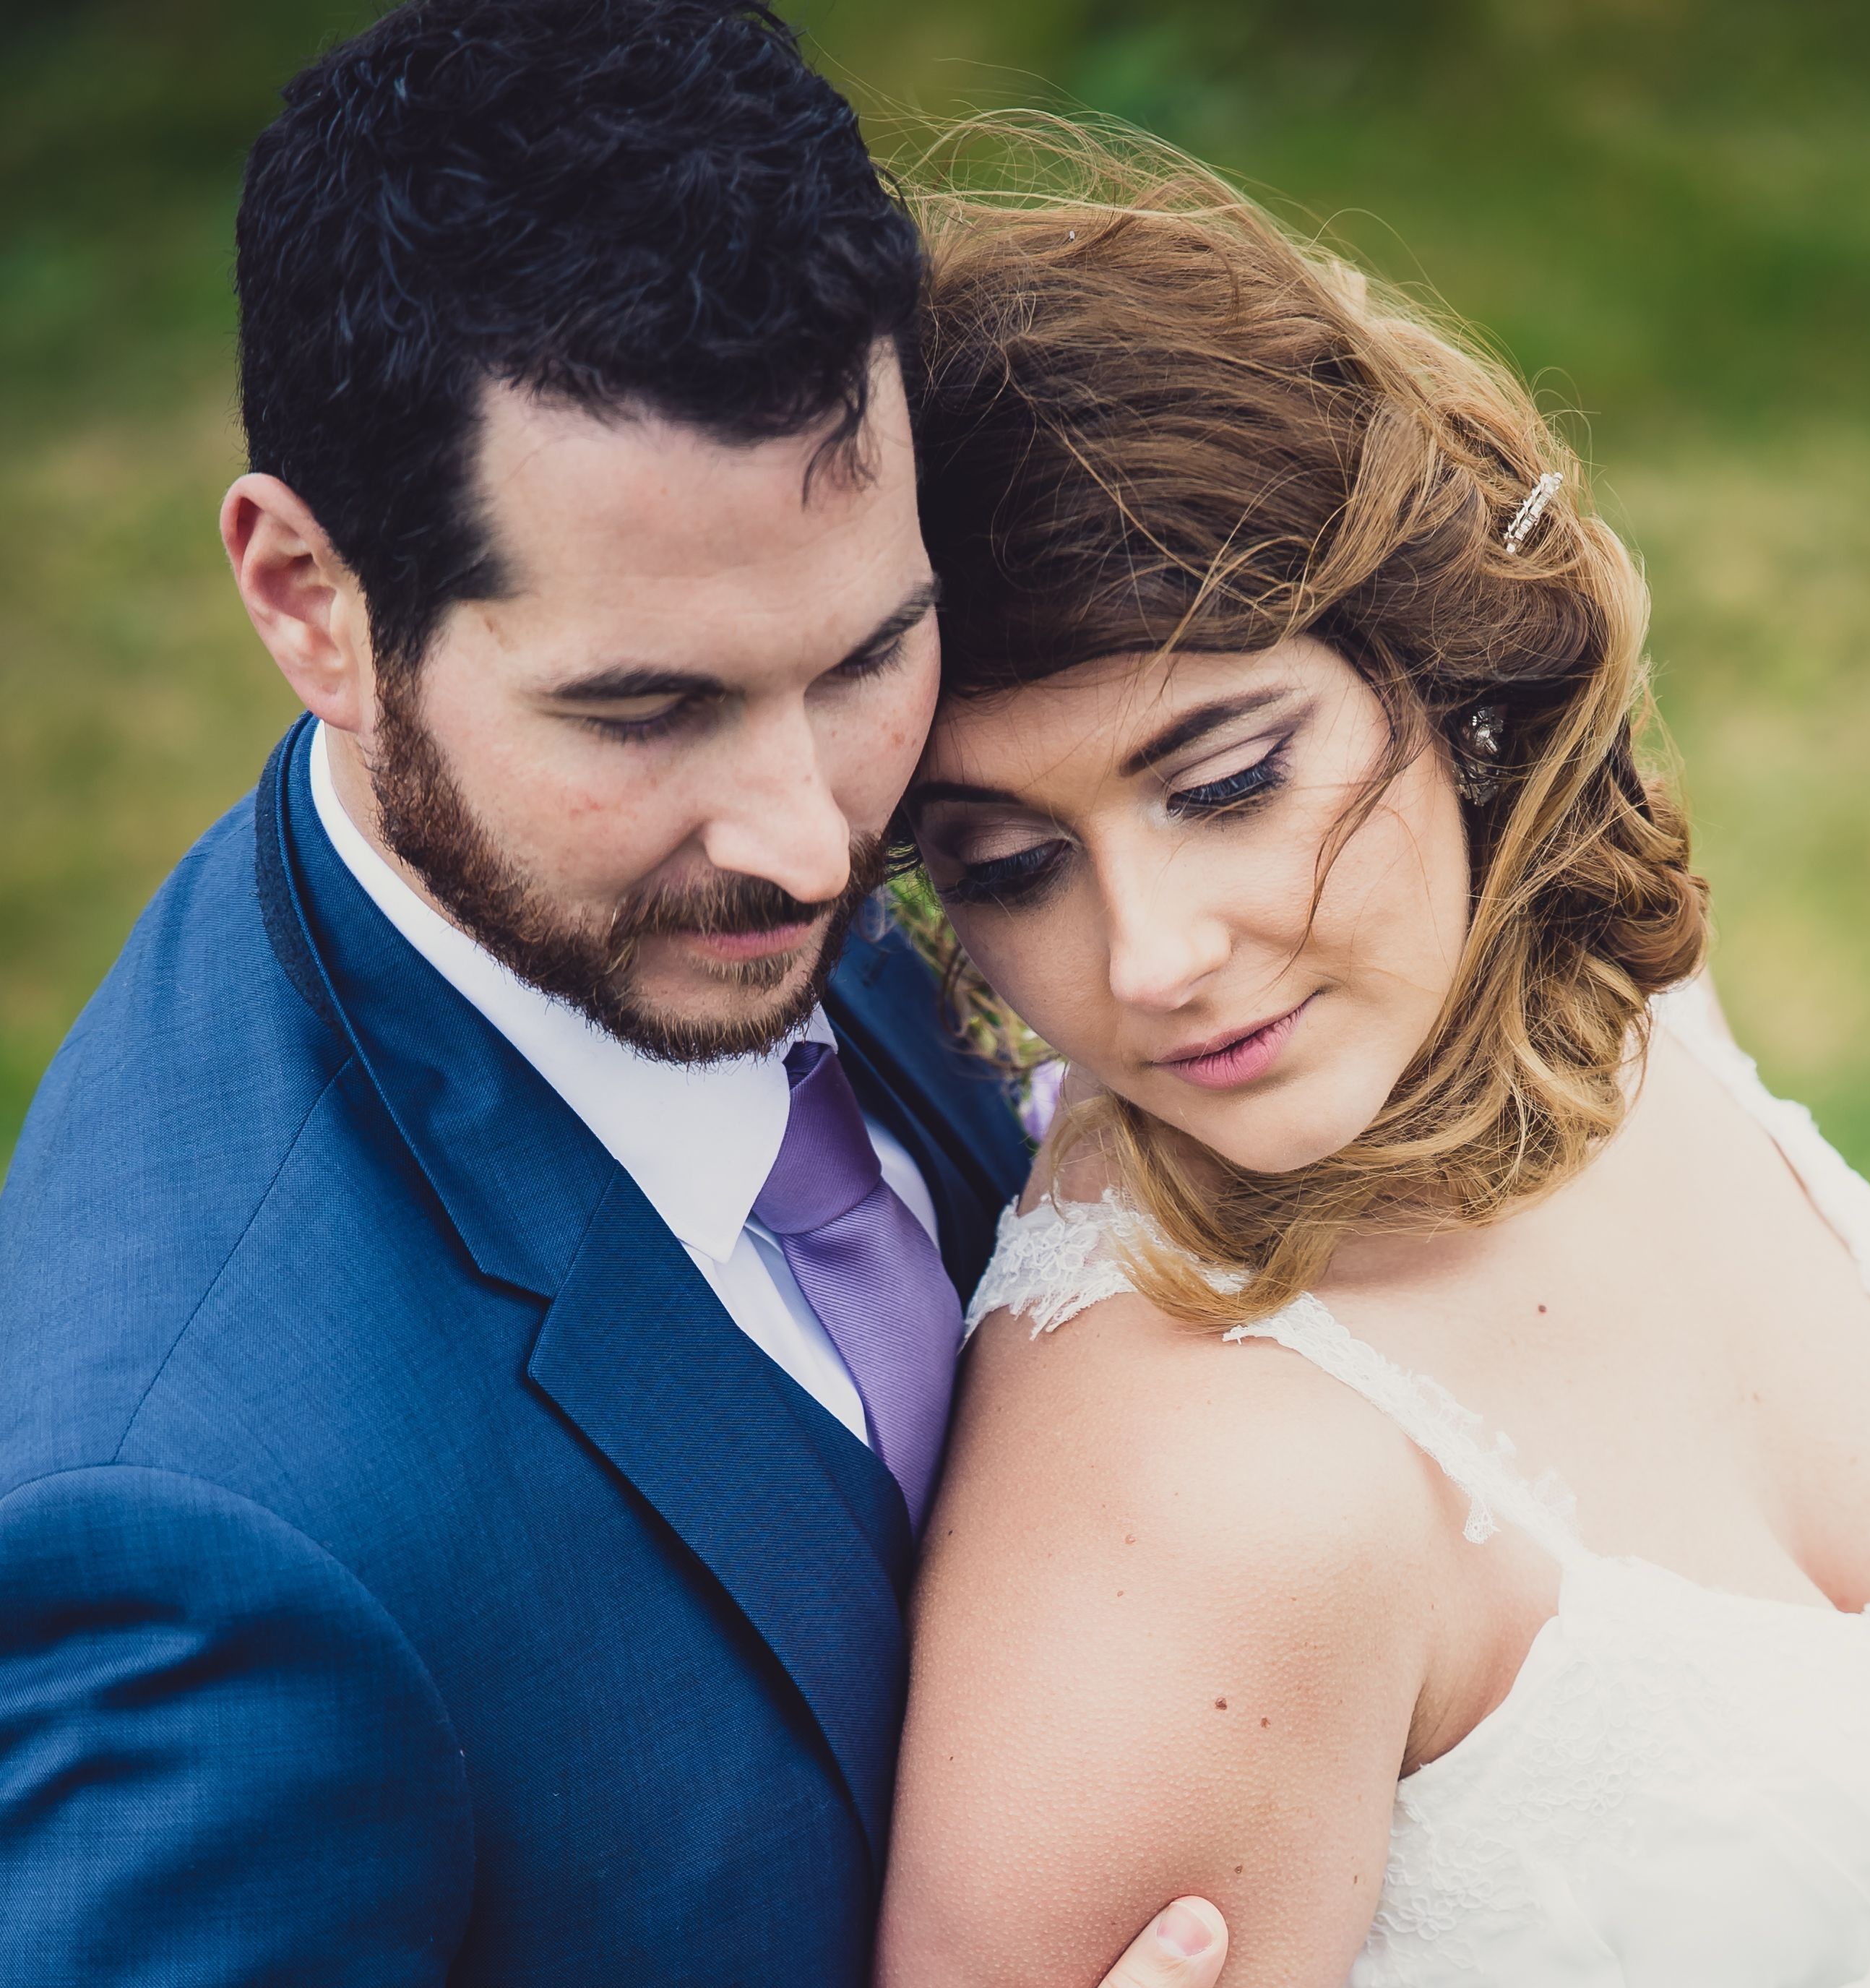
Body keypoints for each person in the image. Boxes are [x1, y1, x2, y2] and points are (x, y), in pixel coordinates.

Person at [0, 14, 1231, 1985]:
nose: (819, 847)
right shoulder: (203, 1535)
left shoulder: (736, 867)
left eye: (864, 661)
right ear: (314, 601)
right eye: (645, 708)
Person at [876, 132, 1870, 1987]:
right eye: (1005, 863)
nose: (1148, 960)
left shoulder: (1605, 1000)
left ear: (1445, 681)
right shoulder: (1204, 1493)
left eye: (1225, 781)